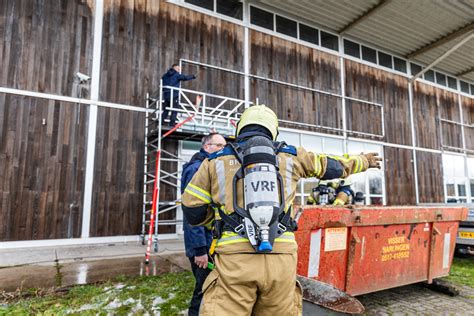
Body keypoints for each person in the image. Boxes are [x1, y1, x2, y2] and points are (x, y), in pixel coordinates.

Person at [181, 105, 382, 315]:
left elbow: (192, 210)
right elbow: (333, 166)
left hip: (234, 261)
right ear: (273, 130)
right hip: (281, 258)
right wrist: (364, 161)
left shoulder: (214, 161)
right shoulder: (292, 157)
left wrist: (220, 221)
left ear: (241, 127)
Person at [180, 132, 227, 316]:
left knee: (209, 287)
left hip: (208, 242)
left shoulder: (208, 166)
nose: (223, 150)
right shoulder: (197, 169)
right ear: (207, 147)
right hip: (202, 246)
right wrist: (200, 250)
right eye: (220, 146)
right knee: (203, 288)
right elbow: (192, 212)